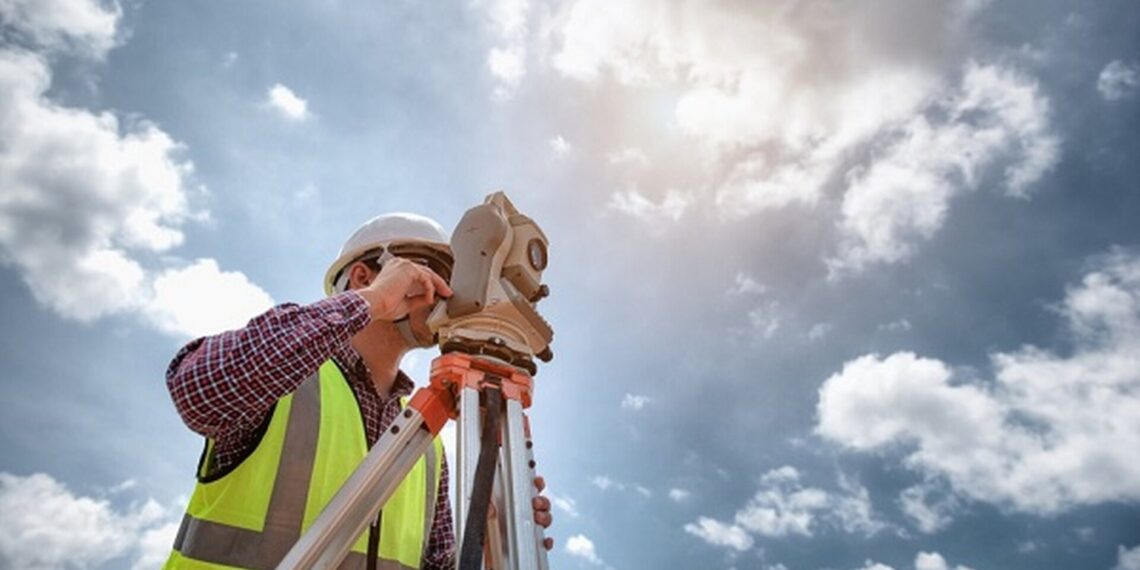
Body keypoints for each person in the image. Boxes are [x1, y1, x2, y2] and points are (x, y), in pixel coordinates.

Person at [162, 213, 553, 569]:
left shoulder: (427, 442)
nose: (448, 293)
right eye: (434, 273)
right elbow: (198, 392)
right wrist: (372, 303)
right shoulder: (285, 380)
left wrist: (493, 534)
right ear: (366, 277)